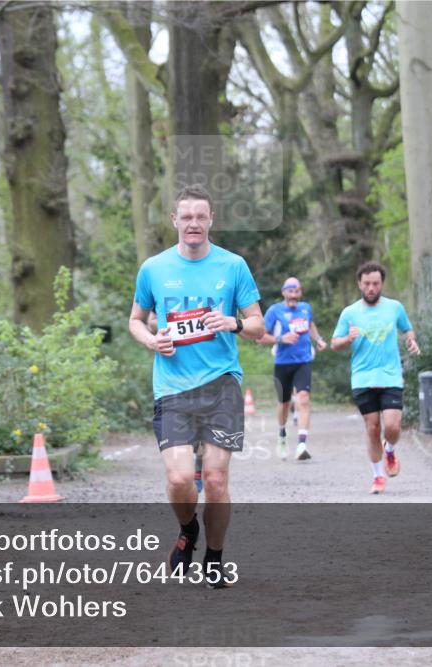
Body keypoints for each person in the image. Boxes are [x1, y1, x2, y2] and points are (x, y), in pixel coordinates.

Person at [129, 184, 263, 587]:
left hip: (221, 383)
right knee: (179, 479)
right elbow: (136, 320)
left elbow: (258, 324)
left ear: (211, 220)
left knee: (217, 480)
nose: (193, 224)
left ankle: (215, 558)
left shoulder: (233, 266)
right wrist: (151, 339)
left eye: (200, 217)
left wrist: (234, 323)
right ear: (175, 220)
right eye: (186, 217)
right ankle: (188, 530)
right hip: (171, 387)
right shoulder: (153, 269)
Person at [330, 262, 420, 495]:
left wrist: (411, 340)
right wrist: (347, 339)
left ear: (381, 284)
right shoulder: (349, 313)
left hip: (390, 375)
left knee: (392, 426)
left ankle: (389, 449)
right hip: (362, 377)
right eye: (367, 283)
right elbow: (334, 344)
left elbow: (407, 329)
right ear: (360, 284)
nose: (371, 288)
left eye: (376, 283)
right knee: (372, 428)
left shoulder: (395, 307)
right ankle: (378, 476)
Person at [256, 277, 327, 460]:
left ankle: (302, 445)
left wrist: (318, 339)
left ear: (300, 292)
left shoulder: (306, 308)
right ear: (284, 292)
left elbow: (310, 324)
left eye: (297, 291)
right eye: (290, 291)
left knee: (303, 399)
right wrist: (281, 339)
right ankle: (282, 435)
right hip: (282, 363)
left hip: (303, 361)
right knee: (284, 404)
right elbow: (260, 337)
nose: (293, 295)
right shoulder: (274, 311)